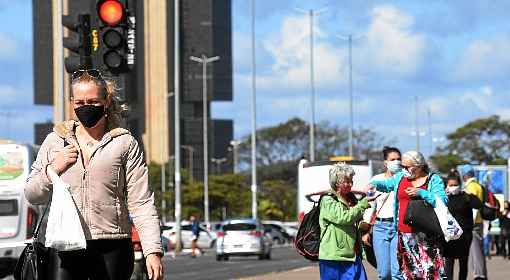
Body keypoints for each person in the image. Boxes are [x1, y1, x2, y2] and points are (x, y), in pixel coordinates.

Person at [25, 69, 164, 280]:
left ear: (106, 101)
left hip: (112, 244)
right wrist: (52, 169)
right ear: (71, 103)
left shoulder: (124, 143)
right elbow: (33, 194)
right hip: (65, 244)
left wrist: (152, 251)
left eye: (92, 101)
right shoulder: (55, 141)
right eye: (79, 102)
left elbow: (142, 201)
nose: (86, 107)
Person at [370, 151, 447, 280]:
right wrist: (374, 184)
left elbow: (442, 200)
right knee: (409, 275)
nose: (404, 169)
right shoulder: (400, 177)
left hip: (426, 236)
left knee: (430, 274)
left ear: (420, 166)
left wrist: (422, 193)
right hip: (404, 236)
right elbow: (387, 185)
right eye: (403, 166)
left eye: (407, 167)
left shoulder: (433, 179)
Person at [318, 162, 371, 280]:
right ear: (336, 182)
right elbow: (343, 217)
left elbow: (354, 219)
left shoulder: (351, 198)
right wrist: (362, 205)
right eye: (346, 181)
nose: (350, 184)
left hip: (352, 254)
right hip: (333, 256)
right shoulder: (328, 200)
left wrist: (364, 226)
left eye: (351, 181)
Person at [363, 146, 403, 280]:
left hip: (399, 228)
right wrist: (365, 230)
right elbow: (370, 206)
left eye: (398, 159)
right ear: (385, 162)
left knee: (397, 273)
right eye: (393, 159)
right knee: (384, 273)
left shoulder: (405, 179)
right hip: (380, 228)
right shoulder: (376, 180)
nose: (396, 162)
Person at [443, 171, 482, 280]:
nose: (453, 187)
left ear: (460, 185)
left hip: (465, 236)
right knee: (448, 262)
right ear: (447, 186)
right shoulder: (444, 197)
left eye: (455, 185)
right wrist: (443, 195)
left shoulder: (465, 196)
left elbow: (478, 204)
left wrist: (469, 194)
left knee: (463, 262)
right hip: (449, 235)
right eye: (451, 185)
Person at [461, 164, 487, 280]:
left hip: (474, 223)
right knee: (477, 251)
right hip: (478, 222)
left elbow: (473, 208)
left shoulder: (471, 187)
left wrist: (468, 224)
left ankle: (479, 275)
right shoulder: (477, 185)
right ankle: (481, 274)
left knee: (475, 251)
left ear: (465, 175)